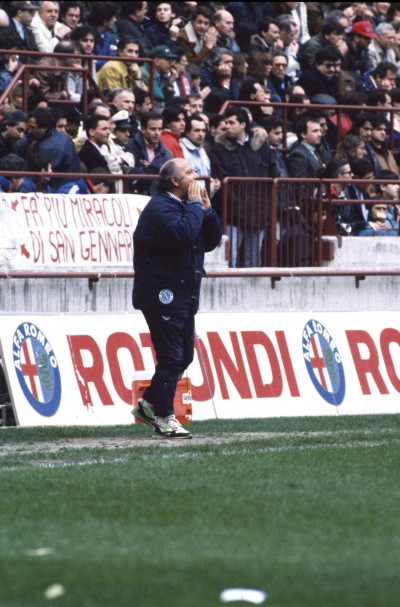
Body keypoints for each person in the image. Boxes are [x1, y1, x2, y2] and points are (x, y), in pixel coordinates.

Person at [132, 157, 222, 439]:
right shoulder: (160, 208)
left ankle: (148, 404)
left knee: (184, 356)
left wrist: (206, 210)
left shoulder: (185, 207)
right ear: (174, 181)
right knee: (172, 356)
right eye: (189, 172)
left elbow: (210, 241)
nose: (196, 177)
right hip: (162, 295)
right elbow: (184, 234)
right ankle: (164, 417)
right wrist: (195, 206)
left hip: (184, 294)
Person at [211, 106, 280, 267]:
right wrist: (237, 204)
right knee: (230, 257)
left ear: (243, 124)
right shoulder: (219, 149)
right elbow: (220, 179)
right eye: (226, 123)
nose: (227, 126)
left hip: (259, 211)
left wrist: (265, 204)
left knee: (254, 258)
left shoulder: (262, 146)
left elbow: (275, 174)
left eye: (231, 123)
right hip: (233, 214)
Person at [126, 110, 172, 195]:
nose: (157, 133)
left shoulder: (166, 154)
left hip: (157, 198)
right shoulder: (129, 147)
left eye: (160, 129)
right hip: (135, 197)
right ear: (143, 129)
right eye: (153, 129)